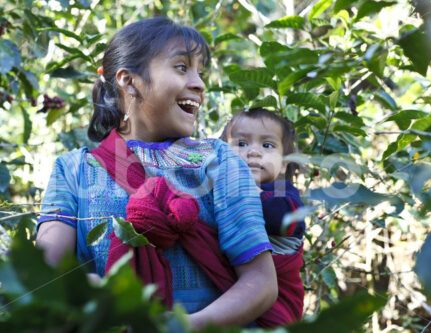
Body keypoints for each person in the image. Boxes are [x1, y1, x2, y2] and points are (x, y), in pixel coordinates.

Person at [35, 17, 277, 329]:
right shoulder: (72, 170)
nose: (199, 84)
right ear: (129, 80)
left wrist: (184, 327)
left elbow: (261, 281)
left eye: (199, 73)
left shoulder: (218, 159)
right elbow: (44, 276)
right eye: (181, 67)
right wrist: (80, 292)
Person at [221, 108, 305, 324]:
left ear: (284, 163)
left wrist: (250, 193)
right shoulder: (220, 190)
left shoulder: (283, 190)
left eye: (267, 145)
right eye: (241, 144)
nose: (253, 152)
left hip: (276, 298)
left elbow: (283, 221)